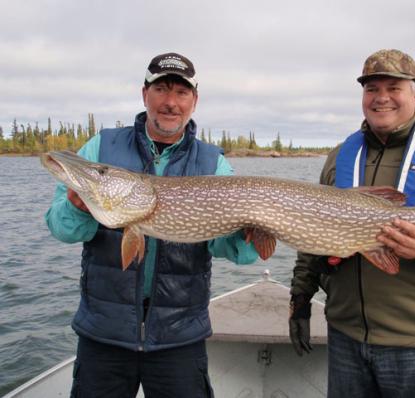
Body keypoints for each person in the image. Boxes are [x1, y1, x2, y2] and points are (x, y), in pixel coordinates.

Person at [45, 52, 258, 398]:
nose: (170, 102)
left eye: (181, 92)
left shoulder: (212, 163)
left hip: (179, 338)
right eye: (161, 89)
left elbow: (231, 250)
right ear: (145, 94)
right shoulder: (101, 148)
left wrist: (252, 232)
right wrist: (79, 208)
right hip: (104, 335)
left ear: (194, 101)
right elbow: (62, 229)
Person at [289, 49, 415, 398]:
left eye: (393, 87)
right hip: (346, 336)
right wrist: (300, 299)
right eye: (371, 89)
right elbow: (312, 233)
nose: (381, 97)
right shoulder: (340, 156)